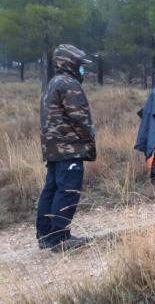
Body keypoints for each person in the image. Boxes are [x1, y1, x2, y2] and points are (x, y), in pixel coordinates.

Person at [37, 44, 96, 253]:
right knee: (68, 191)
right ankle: (60, 238)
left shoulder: (52, 83)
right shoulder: (69, 84)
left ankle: (45, 236)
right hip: (69, 148)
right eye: (81, 65)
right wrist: (89, 138)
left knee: (51, 190)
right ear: (71, 63)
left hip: (53, 149)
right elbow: (79, 118)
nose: (83, 70)